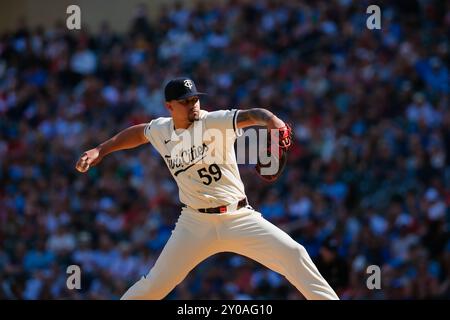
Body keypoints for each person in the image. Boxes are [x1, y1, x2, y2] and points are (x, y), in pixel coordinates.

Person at [75, 77, 339, 300]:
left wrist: (276, 124)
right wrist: (101, 149)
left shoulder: (214, 121)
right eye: (185, 101)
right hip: (194, 223)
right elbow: (138, 133)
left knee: (295, 254)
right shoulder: (161, 130)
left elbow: (254, 115)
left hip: (238, 217)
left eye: (195, 99)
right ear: (169, 106)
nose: (193, 105)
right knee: (154, 287)